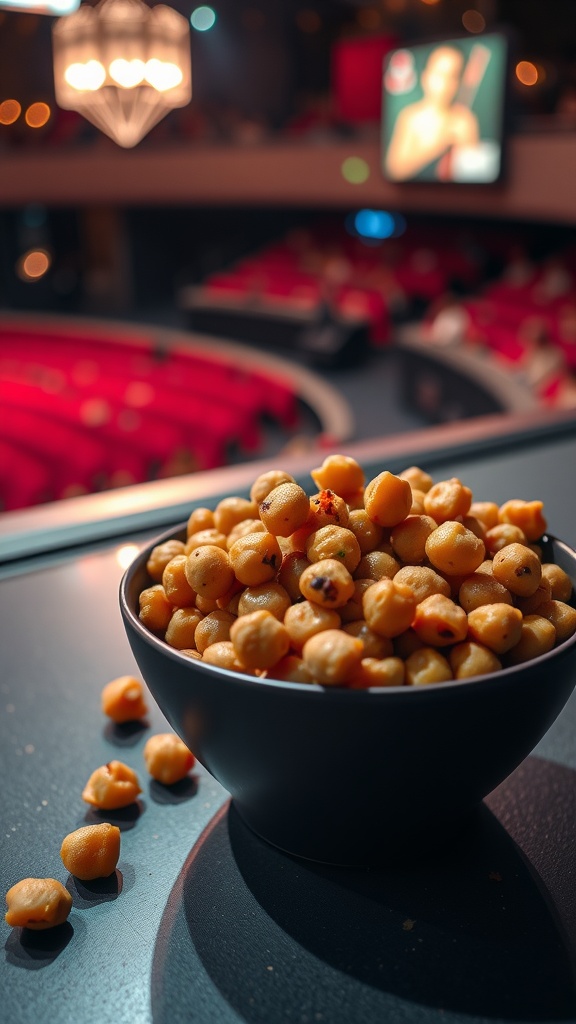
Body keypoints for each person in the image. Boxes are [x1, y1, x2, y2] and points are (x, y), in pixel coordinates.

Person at [385, 45, 480, 182]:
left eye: (452, 76)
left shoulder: (465, 121)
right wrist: (435, 146)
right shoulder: (409, 116)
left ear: (458, 83)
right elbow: (394, 169)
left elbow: (474, 176)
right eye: (439, 74)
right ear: (425, 76)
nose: (444, 83)